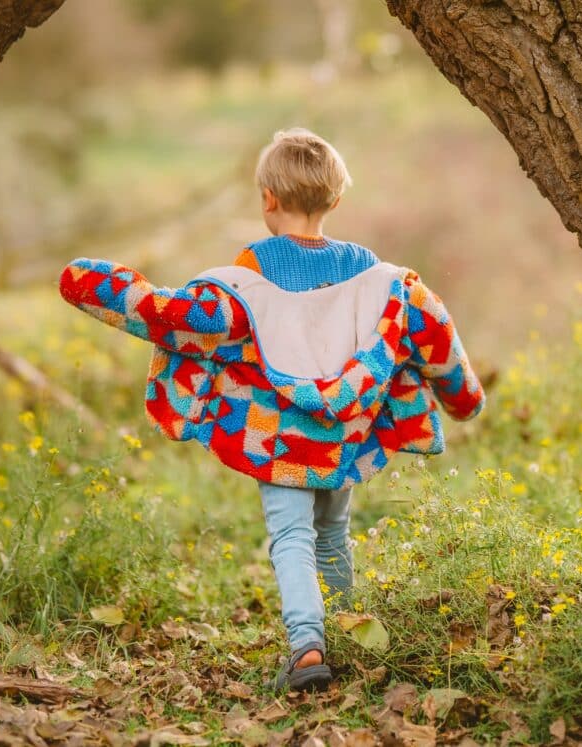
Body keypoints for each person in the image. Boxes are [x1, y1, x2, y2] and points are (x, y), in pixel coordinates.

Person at [58, 128, 485, 693]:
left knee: (291, 537)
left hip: (276, 440)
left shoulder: (247, 276)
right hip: (344, 437)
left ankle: (307, 647)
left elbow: (176, 316)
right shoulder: (373, 276)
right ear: (336, 200)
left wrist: (89, 283)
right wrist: (464, 399)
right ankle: (353, 633)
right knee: (333, 534)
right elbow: (434, 333)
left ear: (267, 199)